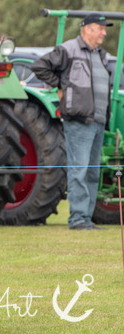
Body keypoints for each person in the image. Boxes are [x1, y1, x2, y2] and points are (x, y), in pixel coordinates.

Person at [31, 13, 114, 230]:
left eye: (105, 28)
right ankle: (77, 219)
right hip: (78, 120)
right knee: (80, 169)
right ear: (86, 29)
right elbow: (40, 66)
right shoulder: (69, 49)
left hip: (97, 122)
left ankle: (86, 218)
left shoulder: (102, 55)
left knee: (93, 171)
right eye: (101, 28)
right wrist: (60, 86)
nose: (104, 32)